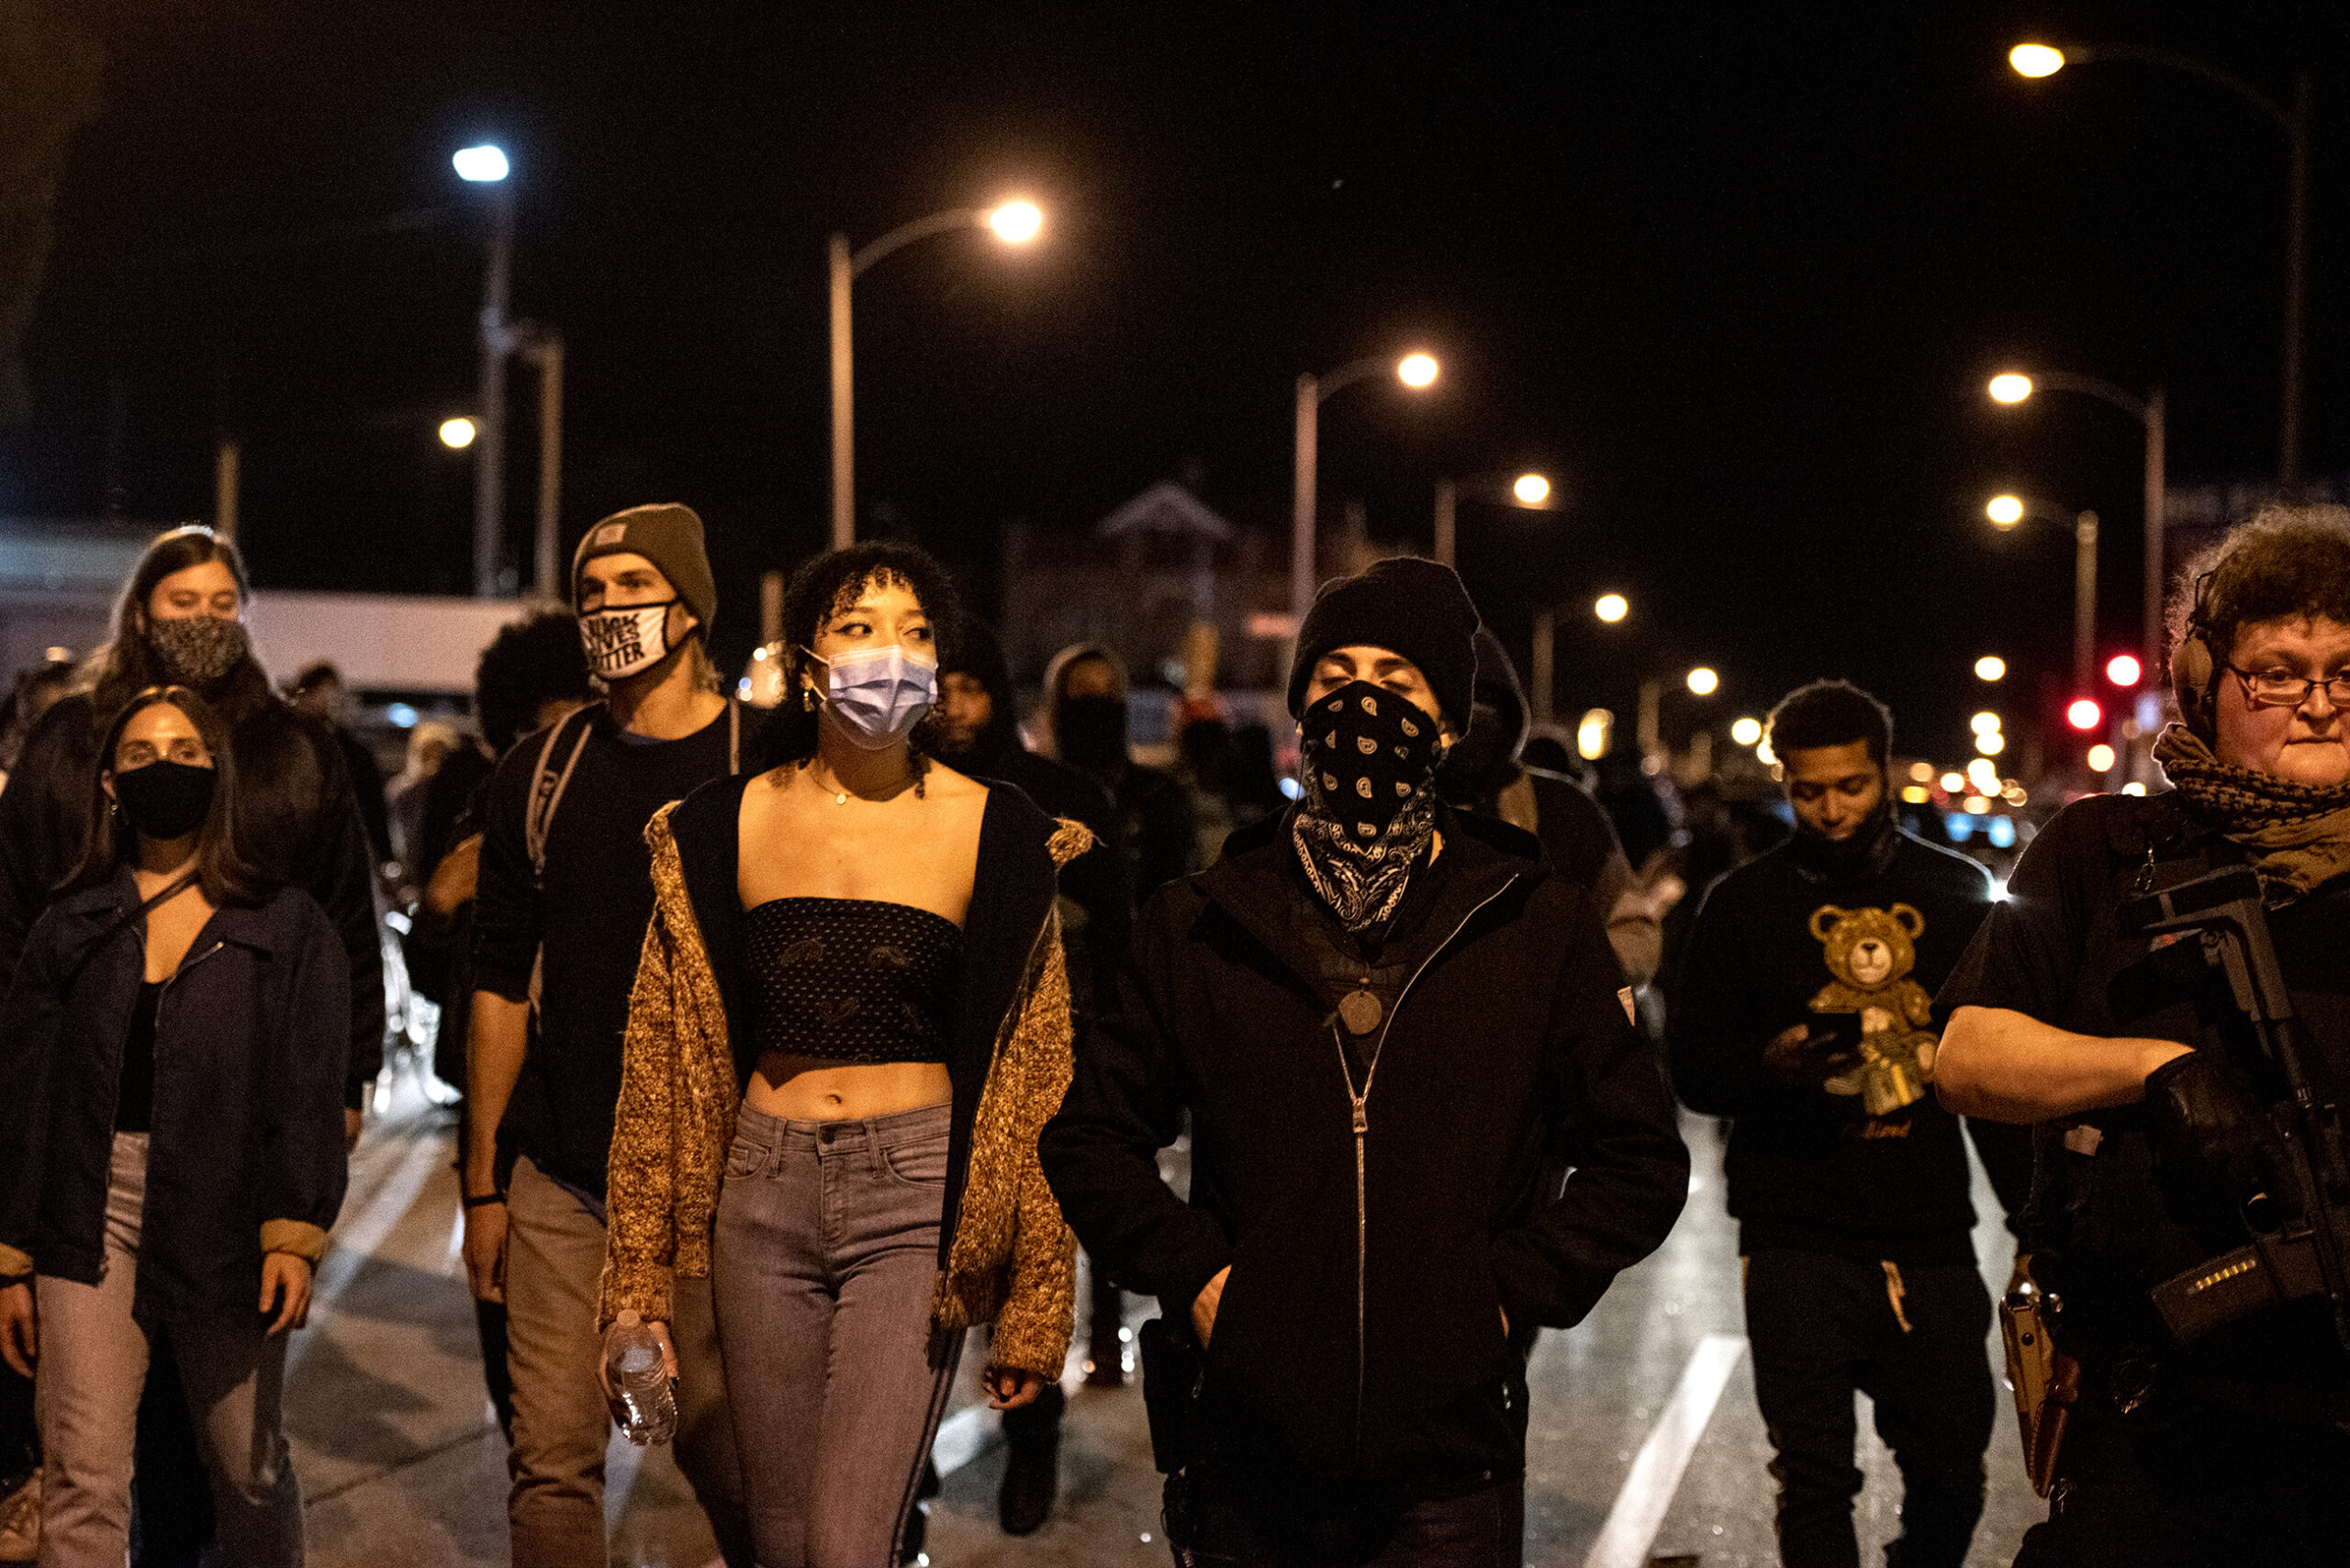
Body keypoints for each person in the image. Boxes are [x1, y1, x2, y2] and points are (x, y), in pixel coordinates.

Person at [1042, 556, 1690, 1564]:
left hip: (1452, 1466)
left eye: (1396, 684)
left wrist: (1507, 1290)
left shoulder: (1534, 922)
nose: (1360, 705)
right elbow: (1092, 1137)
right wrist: (1199, 1273)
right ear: (1301, 709)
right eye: (1335, 677)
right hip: (1248, 1456)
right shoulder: (1206, 919)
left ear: (1444, 726)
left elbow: (1639, 1156)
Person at [599, 542, 1084, 1565]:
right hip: (759, 1191)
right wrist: (635, 1280)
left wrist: (1037, 1303)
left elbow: (1035, 1073)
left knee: (846, 1543)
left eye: (915, 633)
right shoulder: (721, 823)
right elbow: (657, 1059)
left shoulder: (997, 831)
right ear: (807, 659)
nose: (890, 656)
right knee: (776, 1540)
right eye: (860, 628)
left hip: (914, 1198)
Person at [1937, 504, 2350, 1565]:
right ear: (2207, 683)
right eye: (2277, 671)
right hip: (2159, 1420)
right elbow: (1967, 1054)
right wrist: (2156, 1070)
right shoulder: (2103, 853)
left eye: (2346, 669)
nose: (2317, 702)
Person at [0, 527, 382, 1566]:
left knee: (243, 1469)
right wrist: (12, 1245)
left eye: (224, 602)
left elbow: (341, 952)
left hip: (225, 1182)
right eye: (183, 601)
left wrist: (299, 1208)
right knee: (85, 1468)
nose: (204, 620)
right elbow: (27, 1066)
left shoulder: (285, 872)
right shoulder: (71, 905)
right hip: (91, 1199)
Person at [1665, 678, 2028, 1568]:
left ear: (1884, 773)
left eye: (1851, 786)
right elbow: (1694, 1071)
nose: (1830, 810)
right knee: (1815, 1478)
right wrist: (1774, 1062)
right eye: (1808, 789)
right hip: (1796, 1235)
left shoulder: (1955, 892)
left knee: (1953, 1474)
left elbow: (1997, 1071)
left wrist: (2034, 1222)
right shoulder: (1740, 904)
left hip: (1928, 1231)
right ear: (1785, 781)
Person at [461, 504, 755, 1568]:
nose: (607, 611)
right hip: (560, 1179)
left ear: (689, 606)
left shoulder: (762, 762)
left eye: (631, 585)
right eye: (591, 592)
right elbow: (496, 984)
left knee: (726, 1454)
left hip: (714, 1188)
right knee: (550, 1464)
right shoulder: (541, 773)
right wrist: (483, 1185)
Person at [934, 612, 1134, 1535]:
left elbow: (1115, 914)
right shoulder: (900, 790)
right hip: (927, 1063)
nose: (952, 705)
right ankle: (903, 1459)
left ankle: (1034, 1431)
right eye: (941, 685)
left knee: (1026, 1263)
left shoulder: (1054, 793)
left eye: (969, 686)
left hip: (1038, 1056)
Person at [405, 610, 593, 1439]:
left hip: (602, 1101)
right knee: (517, 1373)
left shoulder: (631, 809)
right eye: (532, 724)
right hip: (499, 1105)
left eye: (570, 721)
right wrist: (441, 907)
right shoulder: (481, 801)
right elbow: (433, 980)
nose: (549, 744)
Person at [1438, 627, 1665, 989]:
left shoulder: (1562, 807)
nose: (1475, 714)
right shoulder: (1386, 805)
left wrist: (1566, 987)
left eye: (1487, 698)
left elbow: (1632, 929)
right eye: (1461, 699)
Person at [1039, 643, 1199, 900]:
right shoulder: (1035, 792)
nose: (1096, 698)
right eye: (1082, 688)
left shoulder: (1158, 794)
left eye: (1107, 689)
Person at [287, 660, 392, 871]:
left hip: (329, 854)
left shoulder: (349, 751)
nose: (329, 699)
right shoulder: (296, 746)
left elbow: (372, 808)